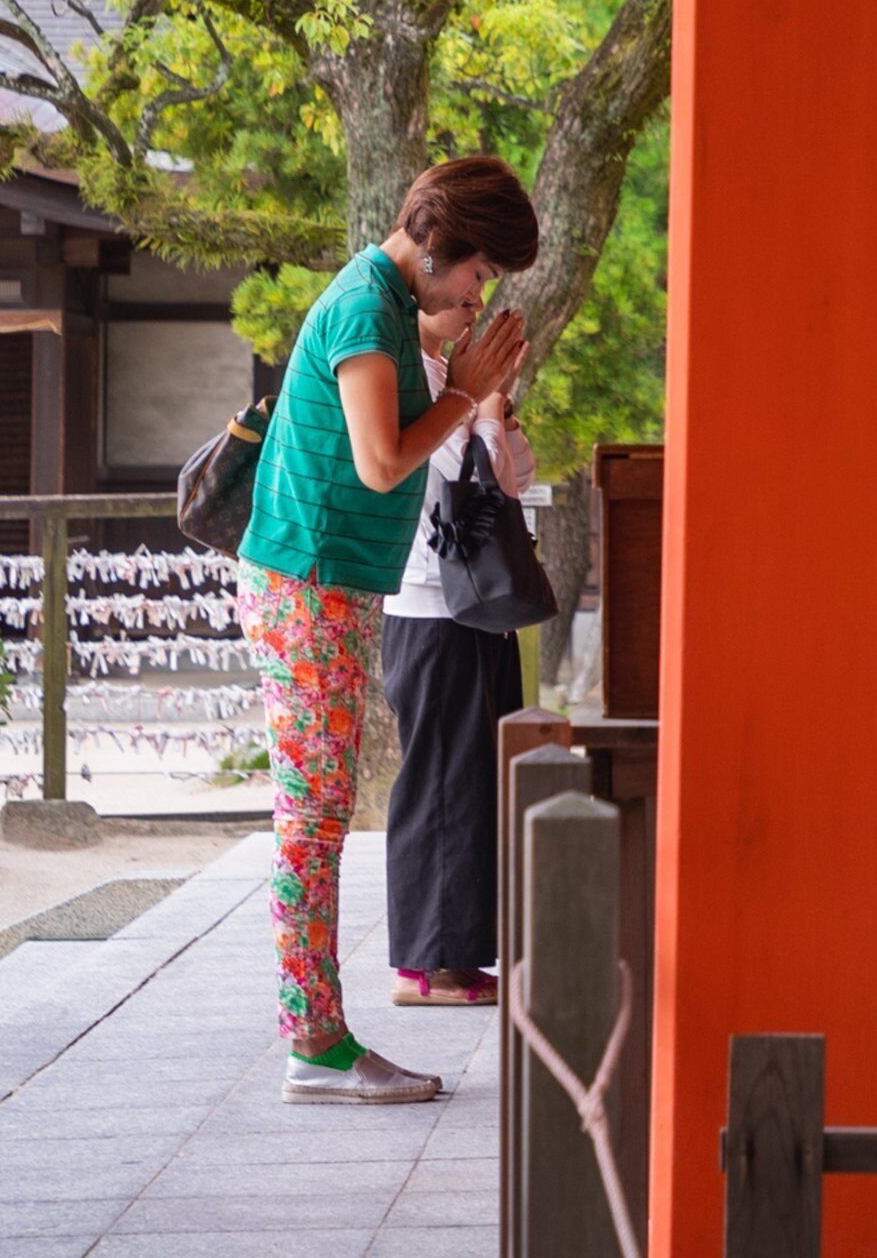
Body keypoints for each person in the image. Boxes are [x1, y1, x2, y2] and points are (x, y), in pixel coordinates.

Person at [236, 155, 537, 1105]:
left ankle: (316, 1034)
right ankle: (315, 1042)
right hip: (309, 581)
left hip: (325, 584)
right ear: (443, 245)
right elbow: (380, 463)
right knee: (313, 819)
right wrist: (467, 386)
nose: (476, 291)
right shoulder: (367, 309)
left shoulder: (381, 305)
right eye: (479, 273)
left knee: (317, 816)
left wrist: (475, 388)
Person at [379, 296, 536, 1007]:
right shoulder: (413, 373)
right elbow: (480, 474)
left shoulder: (449, 376)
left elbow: (514, 473)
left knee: (471, 782)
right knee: (442, 781)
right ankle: (427, 965)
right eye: (467, 294)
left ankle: (456, 957)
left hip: (470, 605)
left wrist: (490, 402)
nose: (475, 310)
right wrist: (484, 401)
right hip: (430, 603)